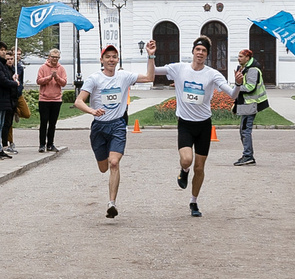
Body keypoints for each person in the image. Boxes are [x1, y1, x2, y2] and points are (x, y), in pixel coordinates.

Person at [139, 34, 233, 217]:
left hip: (204, 125)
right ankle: (184, 171)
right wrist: (151, 55)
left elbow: (232, 94)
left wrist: (237, 84)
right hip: (185, 124)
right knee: (187, 160)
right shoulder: (179, 68)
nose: (200, 53)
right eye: (198, 49)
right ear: (193, 51)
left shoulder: (212, 74)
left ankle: (194, 202)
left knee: (200, 167)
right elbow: (153, 73)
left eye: (204, 50)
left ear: (207, 54)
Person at [77, 42, 137, 217]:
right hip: (99, 127)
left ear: (118, 59)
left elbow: (149, 76)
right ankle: (111, 199)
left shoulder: (124, 76)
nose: (111, 60)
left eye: (114, 57)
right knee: (103, 167)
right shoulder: (94, 78)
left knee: (114, 163)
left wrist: (151, 55)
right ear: (101, 60)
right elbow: (78, 101)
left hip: (118, 124)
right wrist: (92, 111)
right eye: (108, 57)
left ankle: (112, 203)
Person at [231, 47, 265, 165]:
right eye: (238, 56)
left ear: (247, 57)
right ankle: (247, 155)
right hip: (246, 104)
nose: (238, 58)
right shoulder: (244, 68)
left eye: (241, 56)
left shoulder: (252, 70)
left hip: (250, 104)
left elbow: (250, 87)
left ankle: (248, 156)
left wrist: (236, 87)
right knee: (243, 130)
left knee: (245, 131)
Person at [34, 51, 68, 153]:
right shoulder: (43, 68)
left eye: (57, 57)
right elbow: (39, 81)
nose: (55, 59)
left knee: (53, 123)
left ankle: (50, 144)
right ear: (49, 57)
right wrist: (49, 77)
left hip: (56, 99)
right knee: (44, 122)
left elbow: (64, 83)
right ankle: (42, 145)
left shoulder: (61, 69)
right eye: (53, 57)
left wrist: (56, 77)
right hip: (44, 99)